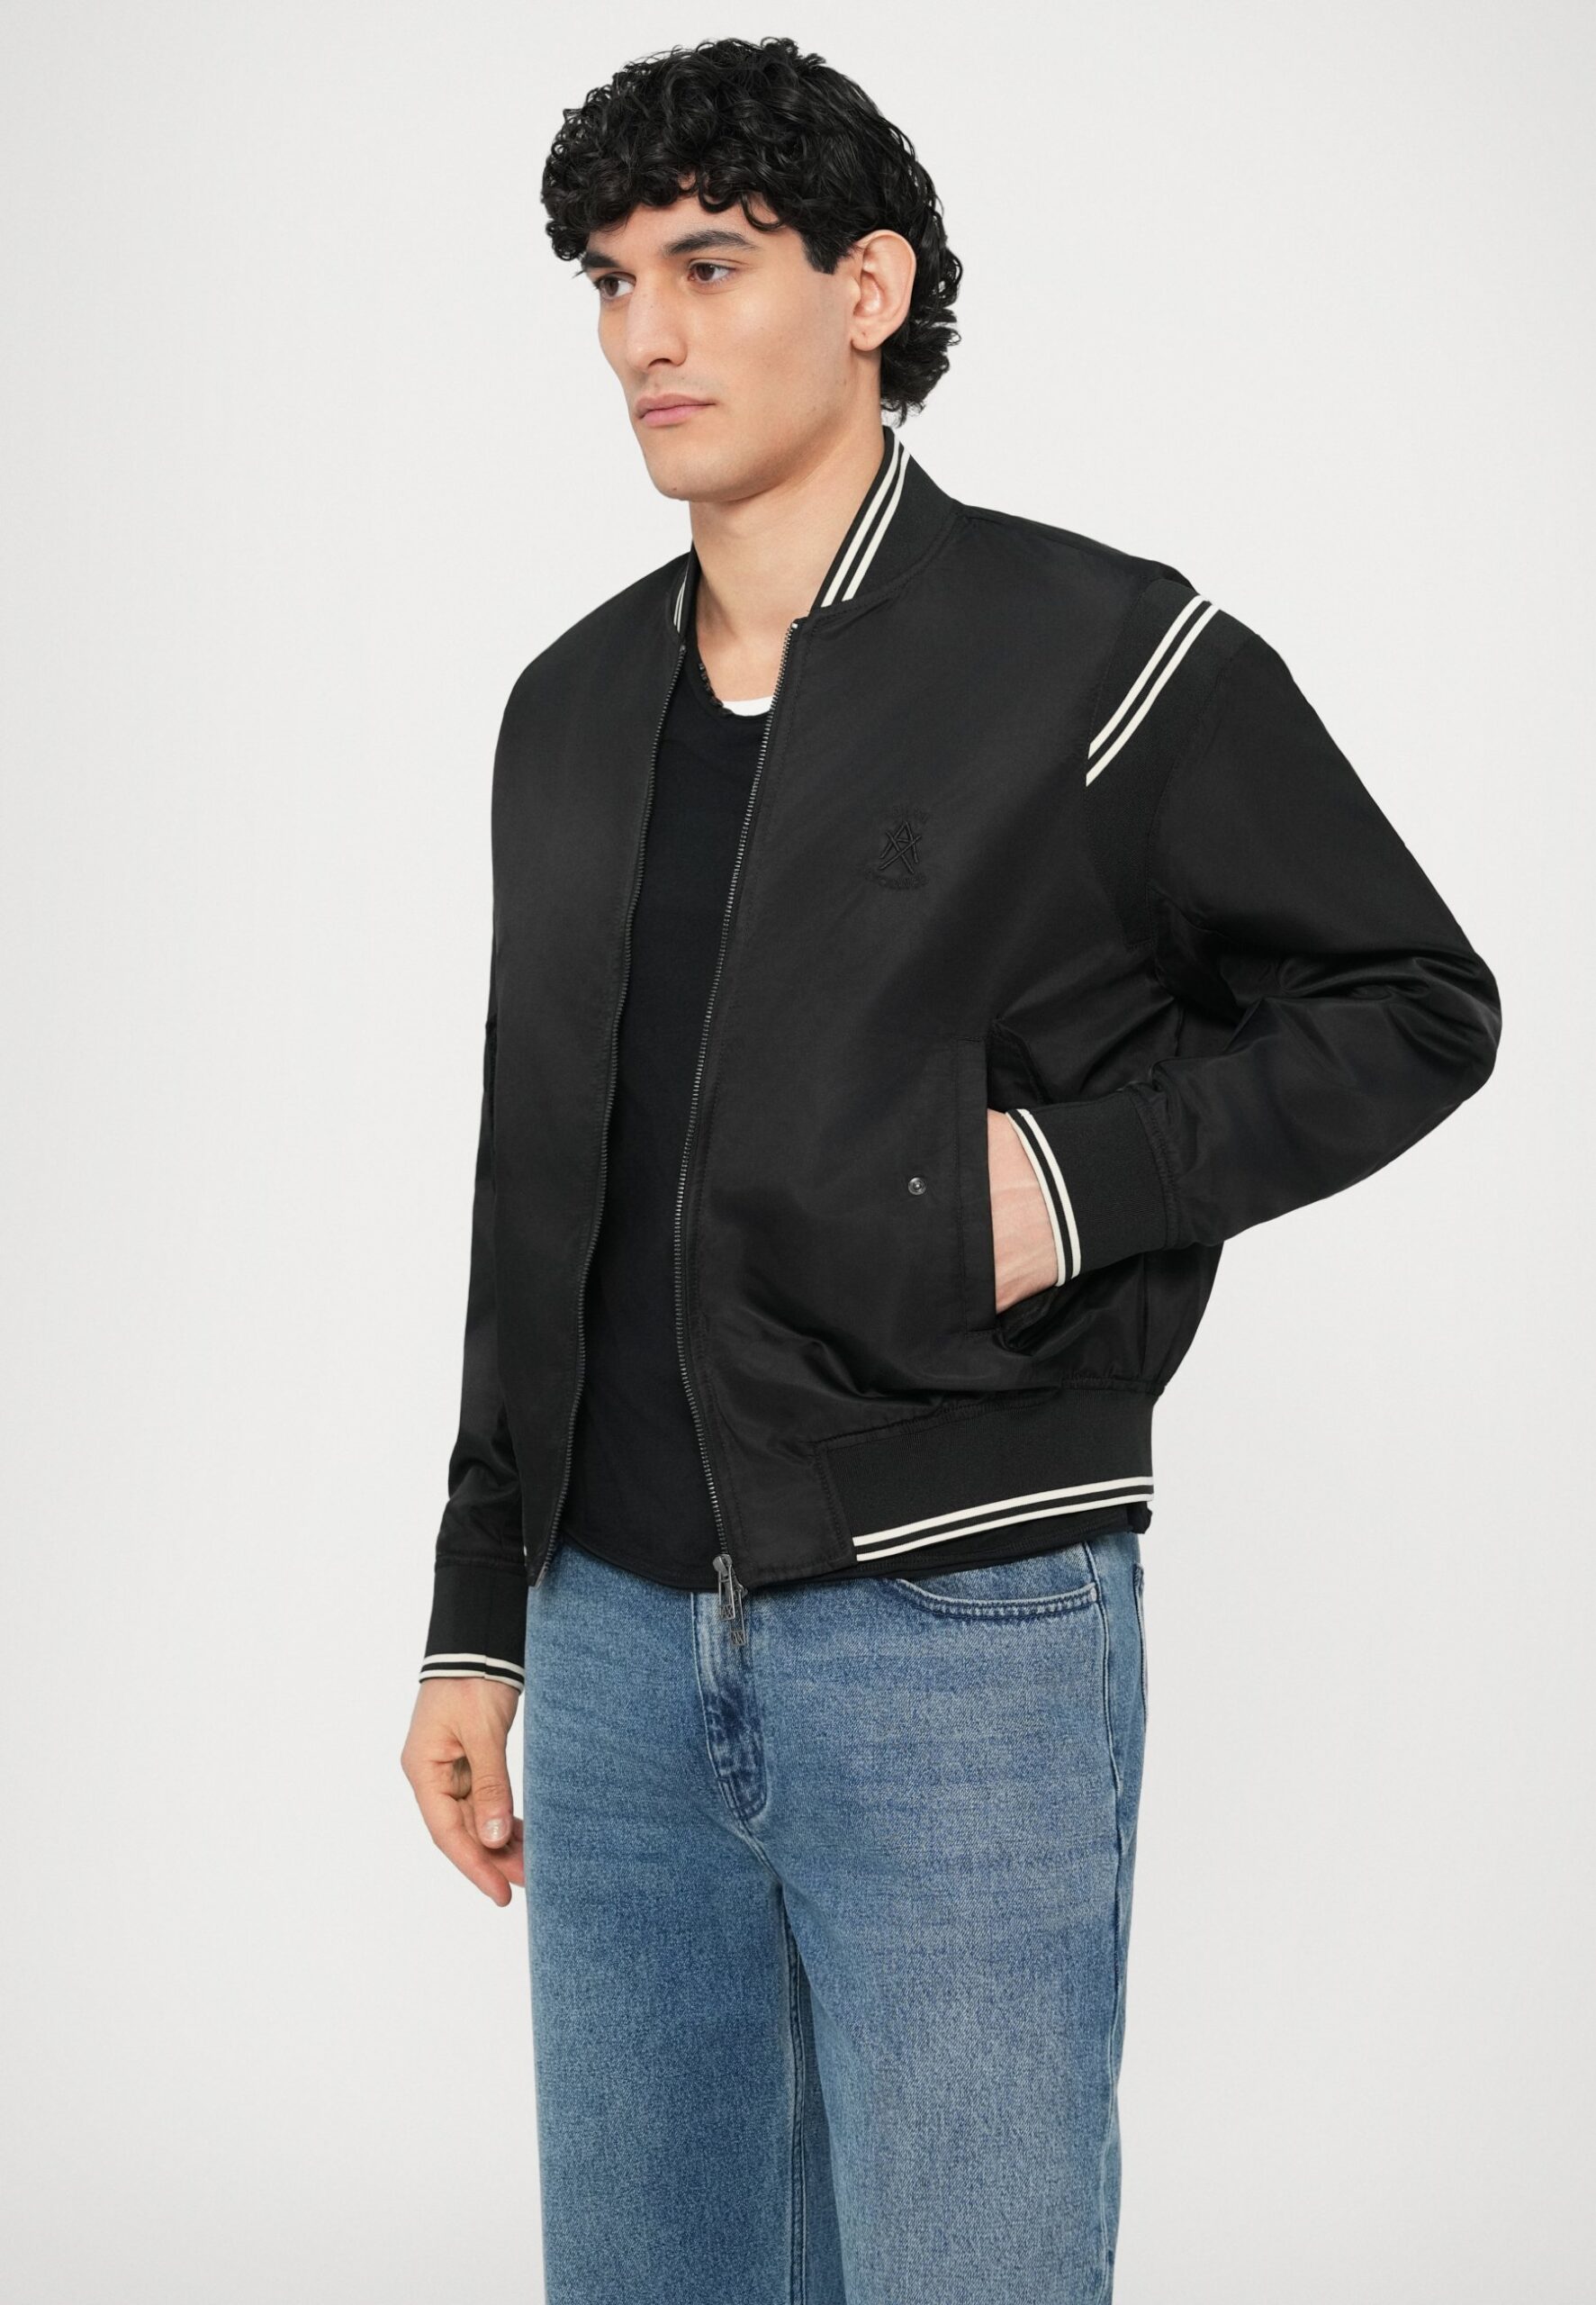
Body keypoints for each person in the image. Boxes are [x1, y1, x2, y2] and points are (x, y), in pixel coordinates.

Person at [400, 34, 1501, 2303]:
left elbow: (1410, 999)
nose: (644, 333)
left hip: (954, 1624)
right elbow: (536, 1174)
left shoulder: (1094, 655)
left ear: (868, 286)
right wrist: (476, 1606)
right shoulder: (566, 708)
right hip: (606, 1639)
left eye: (708, 263)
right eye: (608, 280)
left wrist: (1062, 1184)